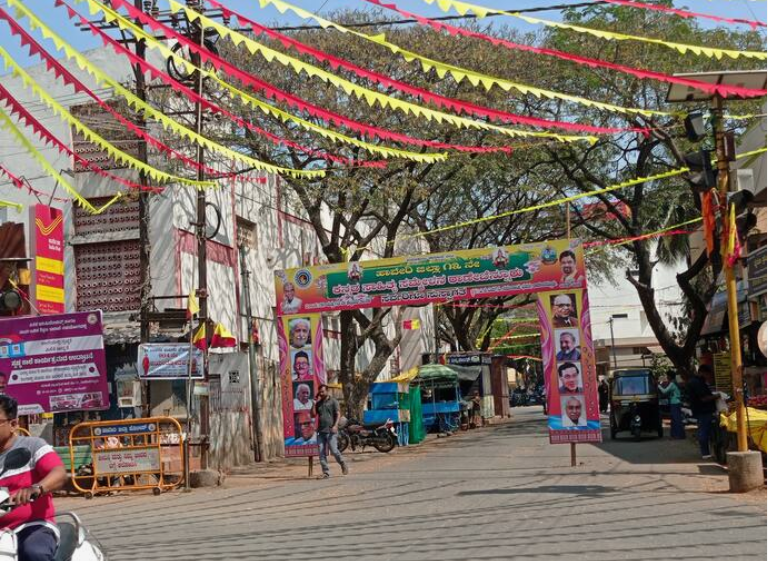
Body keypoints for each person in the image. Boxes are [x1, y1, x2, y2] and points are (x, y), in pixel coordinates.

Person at [0, 395, 67, 561]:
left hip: (33, 525)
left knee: (34, 553)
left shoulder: (33, 446)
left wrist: (37, 488)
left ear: (13, 424)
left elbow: (59, 473)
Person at [312, 384, 348, 478]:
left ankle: (342, 463)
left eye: (323, 391)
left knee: (334, 451)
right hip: (320, 431)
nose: (321, 393)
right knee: (321, 452)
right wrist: (313, 404)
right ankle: (326, 472)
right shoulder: (318, 403)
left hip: (331, 430)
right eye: (320, 392)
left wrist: (335, 425)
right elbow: (313, 415)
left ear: (327, 391)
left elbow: (338, 414)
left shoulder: (333, 401)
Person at [687, 364, 718, 458]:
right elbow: (704, 398)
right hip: (703, 410)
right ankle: (705, 453)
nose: (709, 377)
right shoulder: (697, 382)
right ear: (703, 373)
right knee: (703, 431)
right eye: (708, 374)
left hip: (702, 410)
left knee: (705, 430)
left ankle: (707, 452)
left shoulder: (697, 381)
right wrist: (717, 396)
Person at [659, 370, 685, 439]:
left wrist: (658, 385)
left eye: (667, 376)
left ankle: (678, 435)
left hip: (674, 402)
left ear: (669, 376)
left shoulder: (672, 383)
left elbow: (664, 391)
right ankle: (676, 435)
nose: (666, 377)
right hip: (676, 402)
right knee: (675, 419)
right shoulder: (675, 382)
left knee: (676, 420)